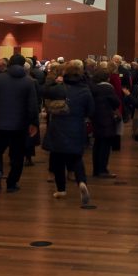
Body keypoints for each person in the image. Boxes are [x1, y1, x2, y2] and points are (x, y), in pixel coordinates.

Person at [0, 54, 39, 195]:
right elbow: (32, 106)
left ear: (9, 64)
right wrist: (34, 123)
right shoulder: (28, 81)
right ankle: (12, 183)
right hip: (20, 125)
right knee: (18, 155)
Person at [45, 59, 94, 203]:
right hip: (76, 127)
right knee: (76, 158)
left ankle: (61, 189)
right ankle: (82, 182)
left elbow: (44, 91)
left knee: (58, 159)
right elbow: (91, 110)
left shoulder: (60, 87)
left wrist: (54, 82)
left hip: (58, 126)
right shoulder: (85, 90)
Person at [90, 67, 121, 178]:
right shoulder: (107, 88)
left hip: (96, 118)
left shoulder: (93, 87)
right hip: (106, 119)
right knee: (105, 146)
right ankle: (102, 170)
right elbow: (116, 102)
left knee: (97, 144)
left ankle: (96, 170)